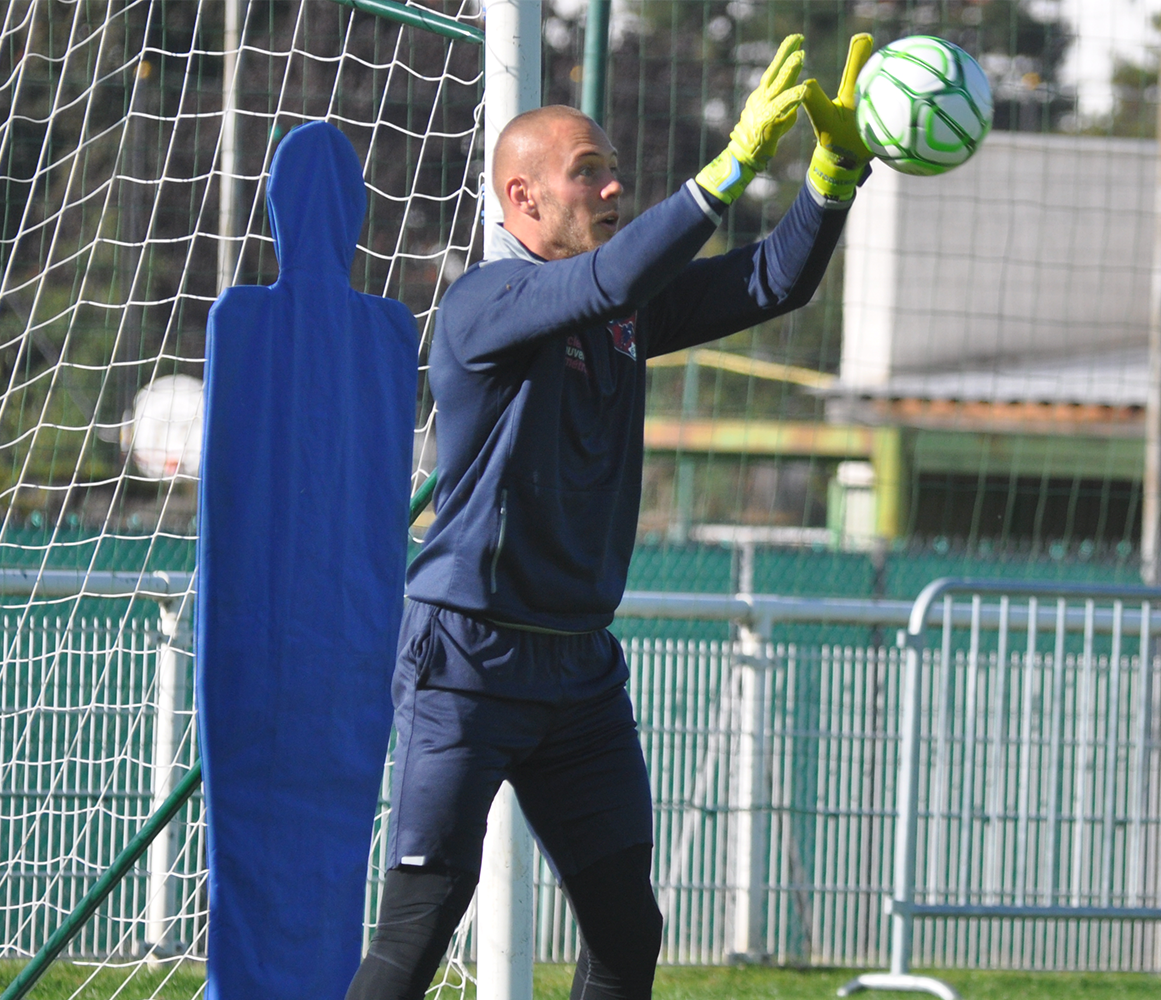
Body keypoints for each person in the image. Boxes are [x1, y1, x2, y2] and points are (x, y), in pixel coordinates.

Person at [344, 32, 874, 1000]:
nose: (612, 191)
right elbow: (608, 278)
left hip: (579, 668)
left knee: (628, 925)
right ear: (523, 198)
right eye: (590, 175)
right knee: (419, 927)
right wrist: (727, 170)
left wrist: (833, 178)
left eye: (615, 174)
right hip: (467, 656)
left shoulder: (619, 313)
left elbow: (772, 280)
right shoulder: (481, 302)